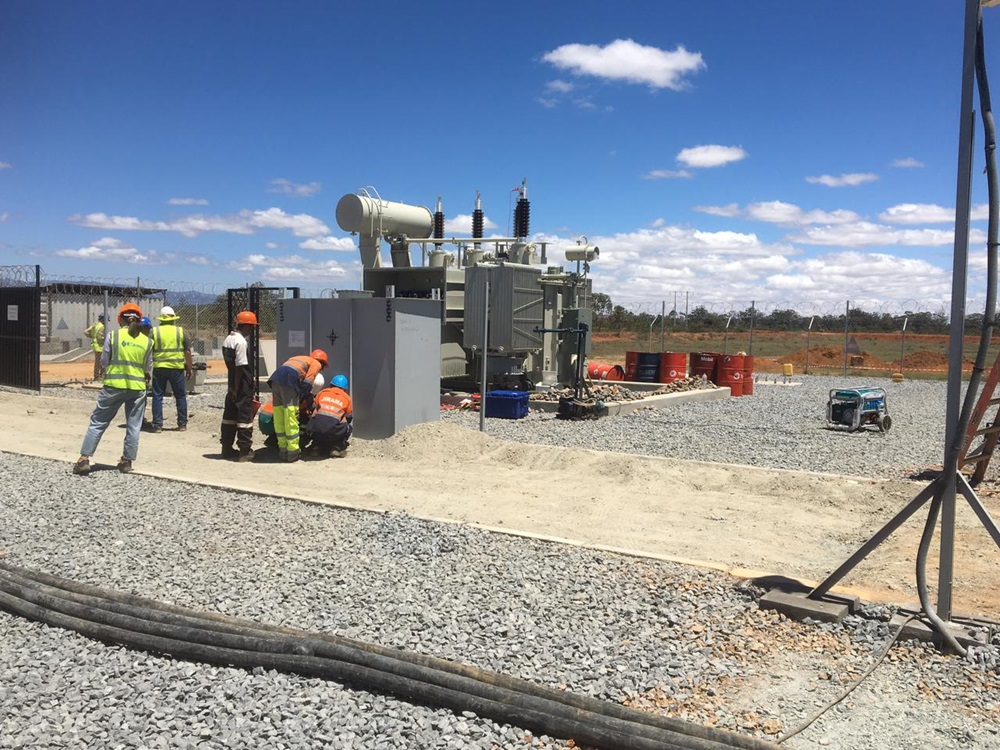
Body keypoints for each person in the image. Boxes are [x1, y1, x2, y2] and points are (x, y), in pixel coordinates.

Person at [73, 303, 153, 475]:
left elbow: (104, 361)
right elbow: (148, 367)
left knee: (98, 422)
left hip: (113, 386)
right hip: (137, 388)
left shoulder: (113, 336)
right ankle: (126, 461)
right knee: (133, 425)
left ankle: (84, 459)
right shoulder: (147, 341)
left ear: (120, 319)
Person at [267, 348, 328, 463]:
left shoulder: (299, 358)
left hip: (275, 379)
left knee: (279, 416)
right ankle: (293, 452)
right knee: (291, 416)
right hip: (290, 381)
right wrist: (300, 400)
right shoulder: (315, 363)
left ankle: (283, 450)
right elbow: (308, 382)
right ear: (322, 363)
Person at [221, 310, 258, 461]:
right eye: (252, 327)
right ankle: (244, 450)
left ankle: (227, 448)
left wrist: (231, 387)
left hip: (232, 383)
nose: (252, 330)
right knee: (244, 418)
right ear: (247, 326)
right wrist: (237, 388)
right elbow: (239, 367)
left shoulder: (228, 339)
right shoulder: (241, 342)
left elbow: (231, 367)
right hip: (241, 385)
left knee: (229, 416)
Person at [149, 306, 194, 433]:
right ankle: (182, 424)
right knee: (180, 396)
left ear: (161, 319)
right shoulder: (180, 332)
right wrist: (190, 368)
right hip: (176, 368)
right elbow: (187, 352)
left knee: (157, 396)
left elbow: (148, 350)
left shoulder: (154, 331)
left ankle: (157, 425)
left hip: (159, 368)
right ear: (173, 319)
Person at [258, 374, 322, 450]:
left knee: (284, 415)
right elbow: (301, 412)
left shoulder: (290, 388)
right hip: (272, 420)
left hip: (264, 419)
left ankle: (273, 439)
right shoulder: (303, 396)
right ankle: (297, 443)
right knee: (303, 419)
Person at [306, 374, 353, 458]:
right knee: (348, 426)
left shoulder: (322, 392)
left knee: (316, 420)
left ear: (331, 385)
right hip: (333, 430)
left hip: (316, 429)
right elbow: (349, 417)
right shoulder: (347, 398)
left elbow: (313, 407)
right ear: (344, 389)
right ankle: (337, 448)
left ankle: (316, 447)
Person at [83, 313, 106, 381]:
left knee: (98, 361)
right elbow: (100, 337)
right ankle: (99, 376)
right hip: (100, 346)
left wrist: (92, 336)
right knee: (101, 361)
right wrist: (106, 338)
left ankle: (98, 375)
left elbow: (86, 332)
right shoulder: (102, 326)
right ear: (103, 319)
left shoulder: (95, 324)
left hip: (95, 345)